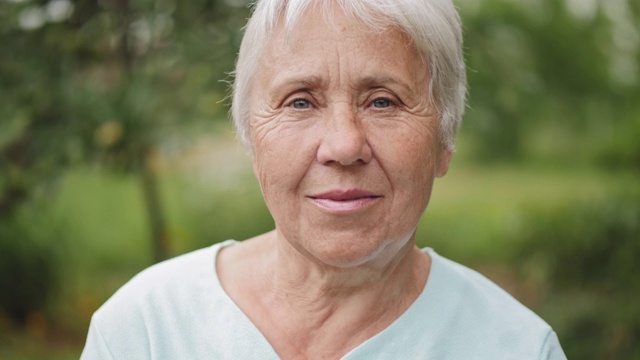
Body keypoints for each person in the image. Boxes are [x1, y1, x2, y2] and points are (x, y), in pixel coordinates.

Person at [81, 0, 567, 358]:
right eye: (300, 101)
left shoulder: (516, 347)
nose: (343, 146)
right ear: (252, 138)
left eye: (383, 101)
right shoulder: (146, 329)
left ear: (444, 140)